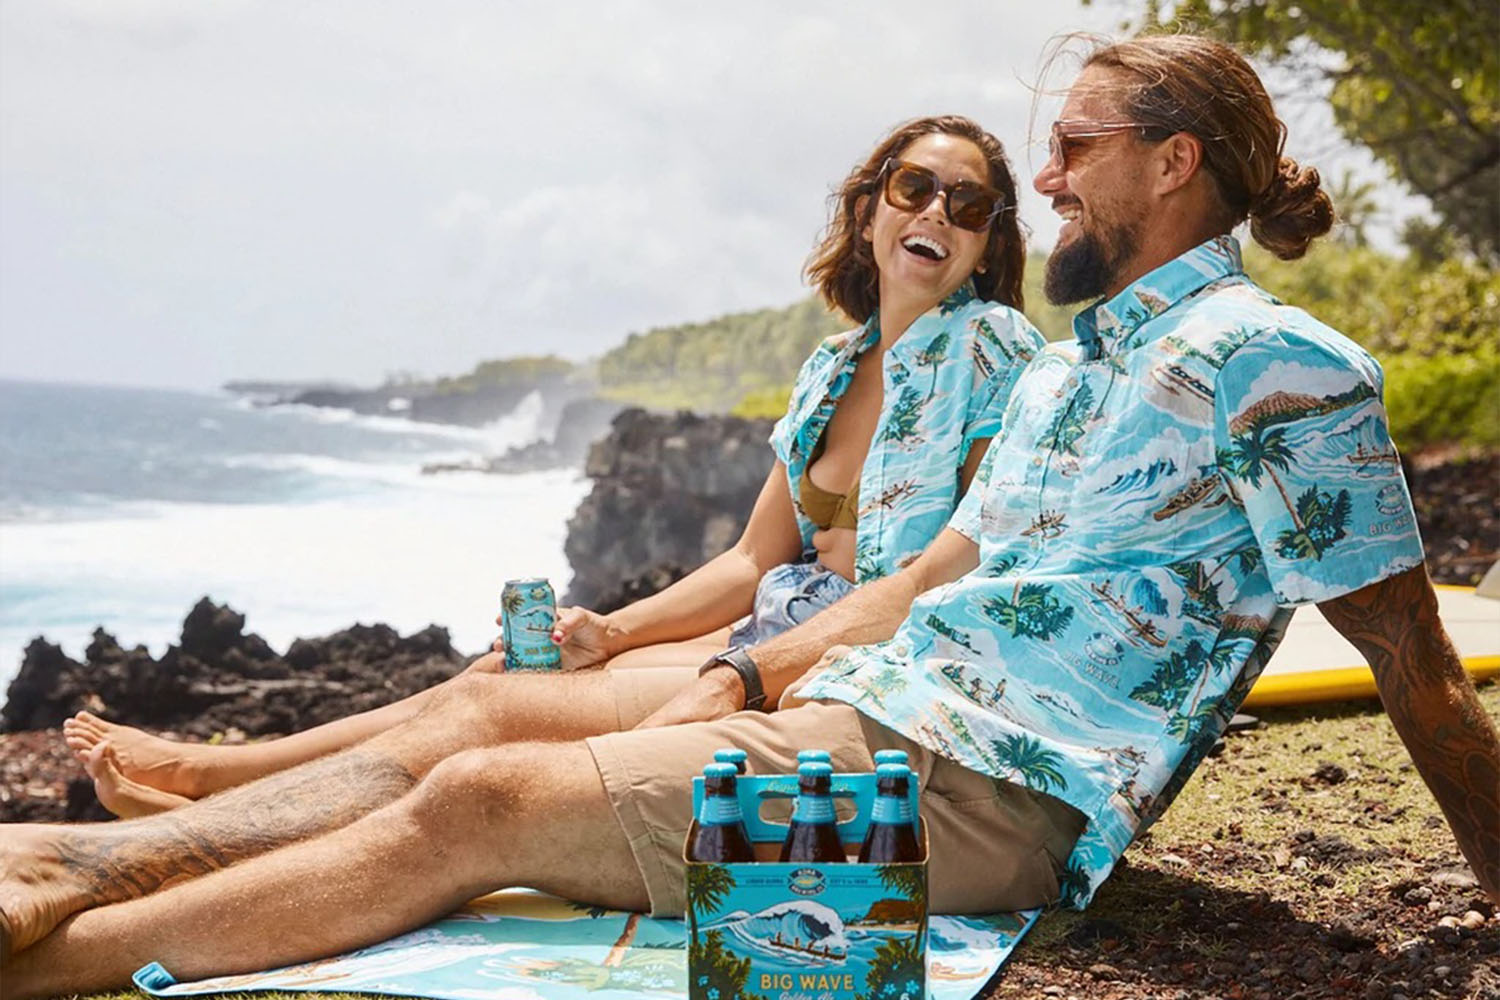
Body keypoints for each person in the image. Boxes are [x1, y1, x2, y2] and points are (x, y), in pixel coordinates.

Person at [3, 35, 1497, 996]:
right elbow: (913, 585)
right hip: (885, 705)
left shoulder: (1275, 366)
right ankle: (88, 865)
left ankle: (54, 922)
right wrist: (744, 671)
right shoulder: (1078, 377)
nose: (1046, 181)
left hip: (1002, 788)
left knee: (480, 805)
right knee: (503, 728)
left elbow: (1419, 674)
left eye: (1075, 148)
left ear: (1176, 165)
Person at [59, 114, 1046, 817]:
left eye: (971, 205)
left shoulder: (993, 347)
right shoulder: (833, 368)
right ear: (873, 207)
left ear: (986, 240)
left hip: (851, 659)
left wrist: (751, 666)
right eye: (918, 187)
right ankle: (211, 784)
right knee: (495, 677)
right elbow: (752, 561)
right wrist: (607, 630)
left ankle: (204, 792)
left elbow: (954, 571)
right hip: (777, 616)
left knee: (497, 713)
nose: (940, 214)